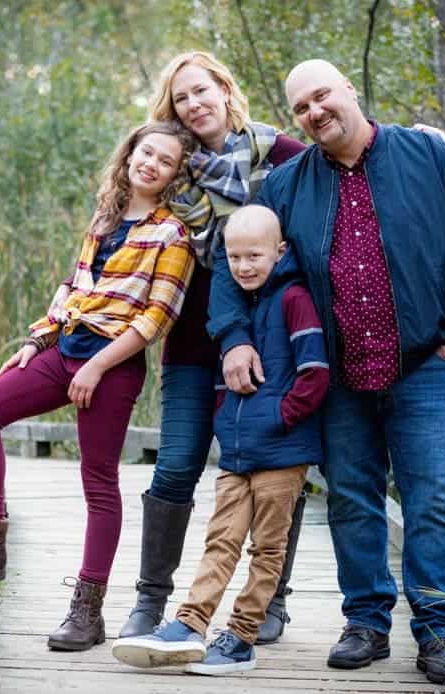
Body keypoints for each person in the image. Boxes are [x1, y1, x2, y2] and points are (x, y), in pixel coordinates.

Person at [208, 59, 445, 686]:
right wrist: (234, 337)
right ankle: (366, 622)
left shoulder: (428, 156)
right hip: (336, 374)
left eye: (322, 96)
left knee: (435, 501)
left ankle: (439, 631)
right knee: (350, 499)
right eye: (301, 108)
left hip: (428, 364)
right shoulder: (287, 186)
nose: (315, 113)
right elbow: (237, 257)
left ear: (349, 91)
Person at [0, 120, 197, 652]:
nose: (151, 164)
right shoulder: (105, 217)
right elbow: (73, 285)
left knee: (98, 481)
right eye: (146, 152)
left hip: (112, 365)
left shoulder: (172, 235)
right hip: (65, 348)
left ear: (174, 175)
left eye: (165, 161)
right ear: (130, 154)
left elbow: (156, 319)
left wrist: (97, 368)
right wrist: (38, 341)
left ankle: (86, 612)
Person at [119, 50, 308, 646]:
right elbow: (123, 220)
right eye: (181, 98)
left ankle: (272, 597)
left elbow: (331, 196)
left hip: (274, 342)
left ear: (225, 90)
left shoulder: (280, 156)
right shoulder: (173, 170)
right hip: (196, 344)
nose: (194, 104)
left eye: (202, 91)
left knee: (273, 471)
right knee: (176, 464)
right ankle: (152, 600)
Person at [112, 205, 329, 675]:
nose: (244, 266)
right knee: (220, 540)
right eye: (234, 258)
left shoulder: (294, 300)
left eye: (255, 255)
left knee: (266, 548)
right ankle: (190, 624)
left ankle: (242, 637)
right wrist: (229, 421)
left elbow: (314, 374)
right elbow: (224, 381)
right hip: (237, 454)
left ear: (280, 252)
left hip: (282, 453)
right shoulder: (237, 312)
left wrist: (280, 418)